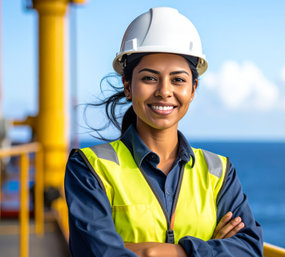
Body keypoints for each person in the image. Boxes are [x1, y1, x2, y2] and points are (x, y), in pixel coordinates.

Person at [64, 7, 263, 257]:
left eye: (178, 80)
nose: (164, 91)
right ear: (128, 86)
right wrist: (209, 248)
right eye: (149, 78)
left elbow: (249, 250)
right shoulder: (90, 167)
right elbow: (96, 253)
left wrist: (151, 252)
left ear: (193, 89)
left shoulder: (218, 172)